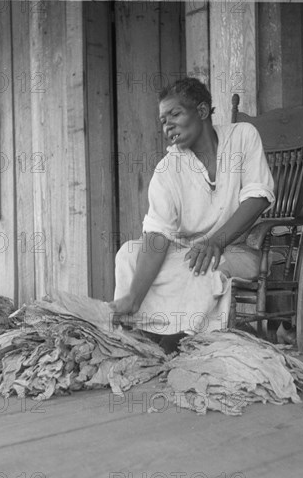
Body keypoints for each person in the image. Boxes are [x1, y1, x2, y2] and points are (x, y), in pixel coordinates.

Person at [110, 78, 275, 350]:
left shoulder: (243, 136)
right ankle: (140, 328)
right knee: (128, 254)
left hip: (238, 249)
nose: (167, 126)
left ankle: (186, 336)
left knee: (204, 265)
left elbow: (258, 197)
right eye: (163, 120)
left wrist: (215, 242)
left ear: (200, 111)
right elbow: (158, 236)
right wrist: (133, 297)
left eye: (175, 114)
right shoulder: (167, 170)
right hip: (188, 251)